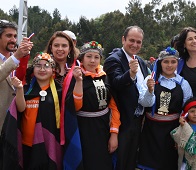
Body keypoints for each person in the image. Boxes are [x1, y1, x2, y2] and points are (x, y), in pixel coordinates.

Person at [0, 53, 63, 169]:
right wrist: (19, 89)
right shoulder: (26, 90)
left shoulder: (60, 91)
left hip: (51, 142)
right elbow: (20, 108)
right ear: (33, 69)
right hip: (27, 143)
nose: (42, 69)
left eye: (47, 66)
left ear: (53, 70)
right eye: (38, 66)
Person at [138, 46, 193, 170]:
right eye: (166, 62)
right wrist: (150, 90)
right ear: (160, 63)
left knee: (169, 164)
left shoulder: (183, 83)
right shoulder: (151, 80)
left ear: (177, 64)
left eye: (173, 62)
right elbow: (145, 103)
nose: (169, 65)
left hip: (173, 131)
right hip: (151, 130)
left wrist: (182, 125)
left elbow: (188, 107)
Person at [103, 26, 150, 170]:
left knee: (131, 161)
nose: (135, 45)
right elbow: (116, 83)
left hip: (138, 121)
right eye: (131, 40)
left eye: (138, 42)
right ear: (123, 39)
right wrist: (130, 73)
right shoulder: (113, 60)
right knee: (120, 162)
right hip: (121, 121)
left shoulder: (141, 62)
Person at [71, 41, 120, 170]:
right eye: (89, 56)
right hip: (83, 128)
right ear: (82, 58)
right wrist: (78, 82)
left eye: (96, 57)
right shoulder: (75, 76)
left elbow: (113, 106)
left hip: (103, 128)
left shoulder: (105, 77)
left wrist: (114, 134)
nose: (92, 60)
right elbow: (75, 107)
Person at [0, 19, 33, 132]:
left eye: (14, 36)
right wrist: (17, 56)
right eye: (8, 36)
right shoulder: (15, 59)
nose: (13, 40)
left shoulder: (18, 60)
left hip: (15, 125)